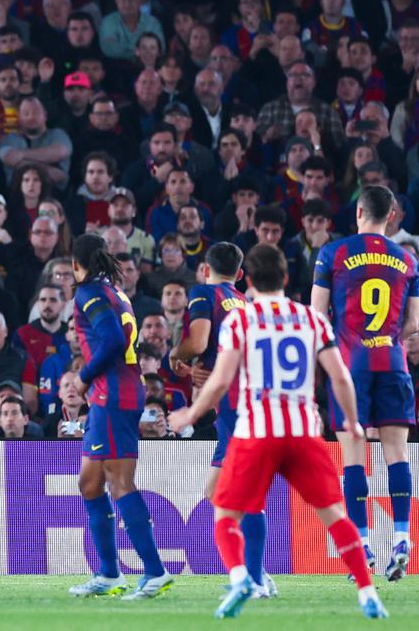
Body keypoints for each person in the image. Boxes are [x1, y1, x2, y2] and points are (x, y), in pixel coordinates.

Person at [169, 244, 388, 619]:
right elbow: (339, 376)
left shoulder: (240, 321)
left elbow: (221, 381)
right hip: (303, 430)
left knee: (225, 511)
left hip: (256, 430)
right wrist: (352, 421)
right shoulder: (312, 320)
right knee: (335, 514)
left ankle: (242, 576)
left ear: (248, 281)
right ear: (286, 279)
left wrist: (190, 414)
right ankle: (367, 592)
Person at [310, 185, 419, 582]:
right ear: (391, 215)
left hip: (350, 367)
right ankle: (403, 538)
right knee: (397, 454)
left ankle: (363, 547)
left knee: (354, 456)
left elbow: (317, 315)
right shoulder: (408, 260)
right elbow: (411, 325)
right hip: (393, 364)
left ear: (359, 212)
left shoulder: (333, 254)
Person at [67, 233, 173, 600]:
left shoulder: (89, 293)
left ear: (76, 263)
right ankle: (110, 574)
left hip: (113, 393)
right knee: (89, 484)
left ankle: (155, 571)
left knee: (119, 483)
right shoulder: (114, 291)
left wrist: (83, 377)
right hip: (115, 391)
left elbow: (111, 340)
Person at [167, 242, 276, 595]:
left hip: (235, 404)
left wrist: (175, 353)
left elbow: (198, 343)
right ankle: (257, 573)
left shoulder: (204, 293)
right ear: (240, 275)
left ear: (204, 269)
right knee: (219, 492)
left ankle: (256, 577)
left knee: (236, 494)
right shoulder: (246, 302)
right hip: (247, 398)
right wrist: (213, 373)